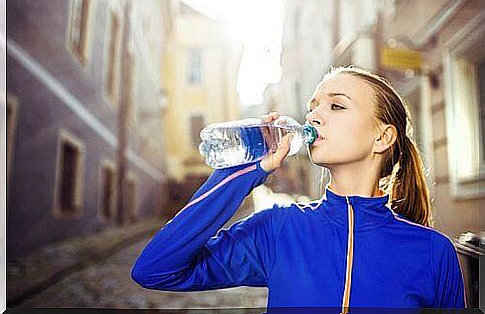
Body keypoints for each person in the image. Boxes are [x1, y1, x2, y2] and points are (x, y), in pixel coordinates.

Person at [131, 66, 466, 310]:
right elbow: (156, 269)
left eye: (336, 105)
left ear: (382, 137)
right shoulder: (278, 229)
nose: (314, 116)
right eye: (313, 107)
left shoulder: (433, 251)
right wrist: (245, 171)